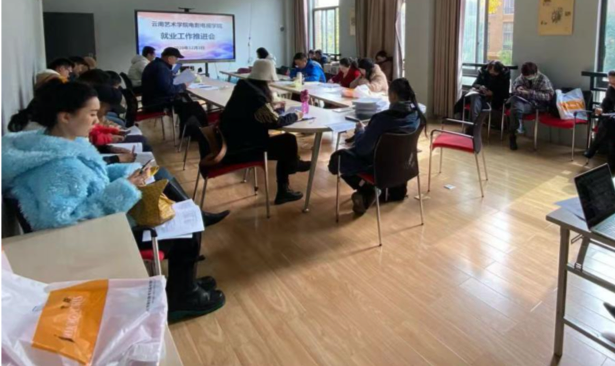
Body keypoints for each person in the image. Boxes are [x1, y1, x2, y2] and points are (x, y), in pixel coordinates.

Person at [0, 81, 227, 319]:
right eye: (92, 114)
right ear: (65, 117)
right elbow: (63, 224)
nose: (97, 121)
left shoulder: (60, 145)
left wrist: (129, 175)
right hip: (92, 240)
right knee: (187, 231)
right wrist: (125, 188)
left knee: (185, 218)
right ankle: (183, 295)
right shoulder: (58, 168)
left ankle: (183, 284)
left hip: (105, 223)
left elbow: (93, 176)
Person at [219, 60, 311, 206]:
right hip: (241, 148)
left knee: (286, 142)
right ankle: (291, 172)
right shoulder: (256, 96)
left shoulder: (244, 87)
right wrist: (296, 116)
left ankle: (292, 167)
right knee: (287, 142)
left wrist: (273, 108)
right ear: (266, 79)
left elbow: (259, 114)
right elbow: (276, 122)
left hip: (232, 139)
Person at [329, 78, 426, 215]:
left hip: (379, 168)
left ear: (393, 96)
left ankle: (368, 189)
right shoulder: (417, 115)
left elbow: (362, 149)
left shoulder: (382, 119)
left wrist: (360, 131)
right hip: (404, 167)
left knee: (338, 159)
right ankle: (389, 190)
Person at [507, 62, 555, 151]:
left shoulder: (543, 80)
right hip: (521, 101)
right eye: (525, 76)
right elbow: (514, 87)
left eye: (529, 76)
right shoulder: (522, 77)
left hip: (535, 104)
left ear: (535, 73)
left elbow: (549, 96)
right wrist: (518, 88)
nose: (526, 77)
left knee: (514, 109)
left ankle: (513, 134)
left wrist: (530, 92)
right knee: (515, 101)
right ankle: (518, 126)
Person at [453, 61, 511, 133]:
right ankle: (474, 128)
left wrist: (493, 93)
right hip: (481, 97)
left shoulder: (504, 77)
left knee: (475, 102)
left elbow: (505, 94)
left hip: (494, 101)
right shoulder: (483, 72)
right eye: (490, 72)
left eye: (494, 74)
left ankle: (473, 128)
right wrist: (480, 87)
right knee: (474, 97)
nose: (492, 74)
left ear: (499, 72)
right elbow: (475, 84)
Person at [141, 47, 187, 112]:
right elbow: (169, 90)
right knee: (189, 105)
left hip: (150, 101)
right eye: (176, 58)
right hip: (157, 104)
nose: (176, 61)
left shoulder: (156, 64)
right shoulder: (162, 68)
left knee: (185, 99)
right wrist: (183, 85)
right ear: (169, 58)